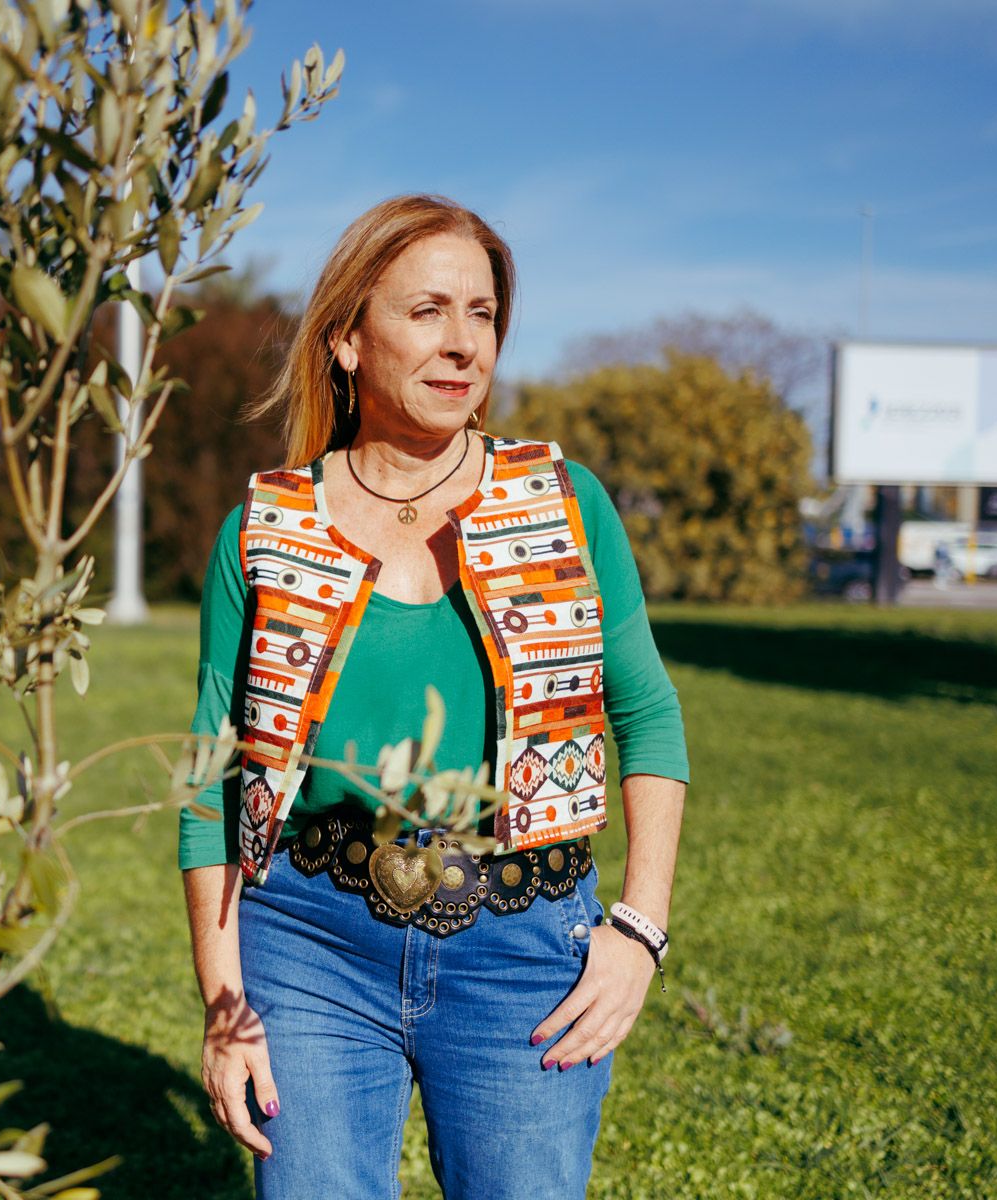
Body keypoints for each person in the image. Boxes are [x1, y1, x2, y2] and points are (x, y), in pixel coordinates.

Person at [177, 195, 690, 1199]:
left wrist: (638, 929)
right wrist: (224, 998)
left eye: (483, 313)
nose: (463, 345)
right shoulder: (262, 530)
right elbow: (210, 777)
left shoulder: (565, 504)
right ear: (348, 343)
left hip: (525, 948)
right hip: (312, 943)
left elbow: (648, 715)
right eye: (427, 312)